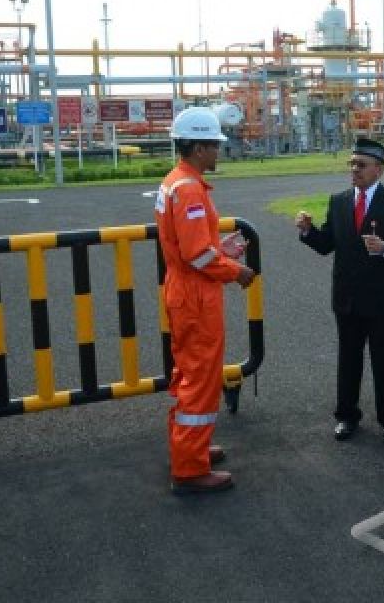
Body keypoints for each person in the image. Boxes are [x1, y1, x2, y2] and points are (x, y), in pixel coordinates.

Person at [155, 107, 256, 495]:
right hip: (196, 296)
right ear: (198, 147)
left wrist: (220, 248)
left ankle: (189, 448)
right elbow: (198, 256)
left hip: (186, 291)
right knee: (199, 378)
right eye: (214, 145)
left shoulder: (176, 183)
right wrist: (236, 270)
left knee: (190, 374)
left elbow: (190, 247)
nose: (219, 152)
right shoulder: (190, 189)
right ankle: (190, 469)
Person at [296, 138, 384, 444]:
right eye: (352, 163)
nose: (354, 169)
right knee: (348, 359)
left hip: (381, 301)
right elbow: (327, 245)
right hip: (346, 298)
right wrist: (309, 232)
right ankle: (346, 416)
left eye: (361, 165)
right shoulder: (338, 202)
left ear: (379, 169)